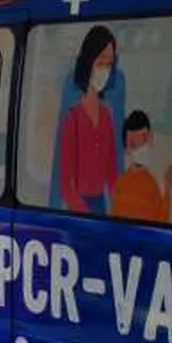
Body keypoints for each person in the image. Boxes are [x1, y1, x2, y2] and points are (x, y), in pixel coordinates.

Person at [56, 25, 120, 214]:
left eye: (109, 64)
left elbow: (111, 170)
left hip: (100, 203)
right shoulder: (73, 118)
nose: (105, 71)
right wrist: (82, 212)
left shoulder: (107, 115)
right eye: (100, 63)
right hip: (78, 206)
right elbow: (66, 183)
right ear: (88, 62)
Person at [111, 110, 172, 223]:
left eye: (144, 140)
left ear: (150, 139)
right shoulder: (121, 184)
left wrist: (167, 190)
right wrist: (167, 191)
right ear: (126, 149)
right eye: (133, 144)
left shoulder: (152, 184)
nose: (141, 148)